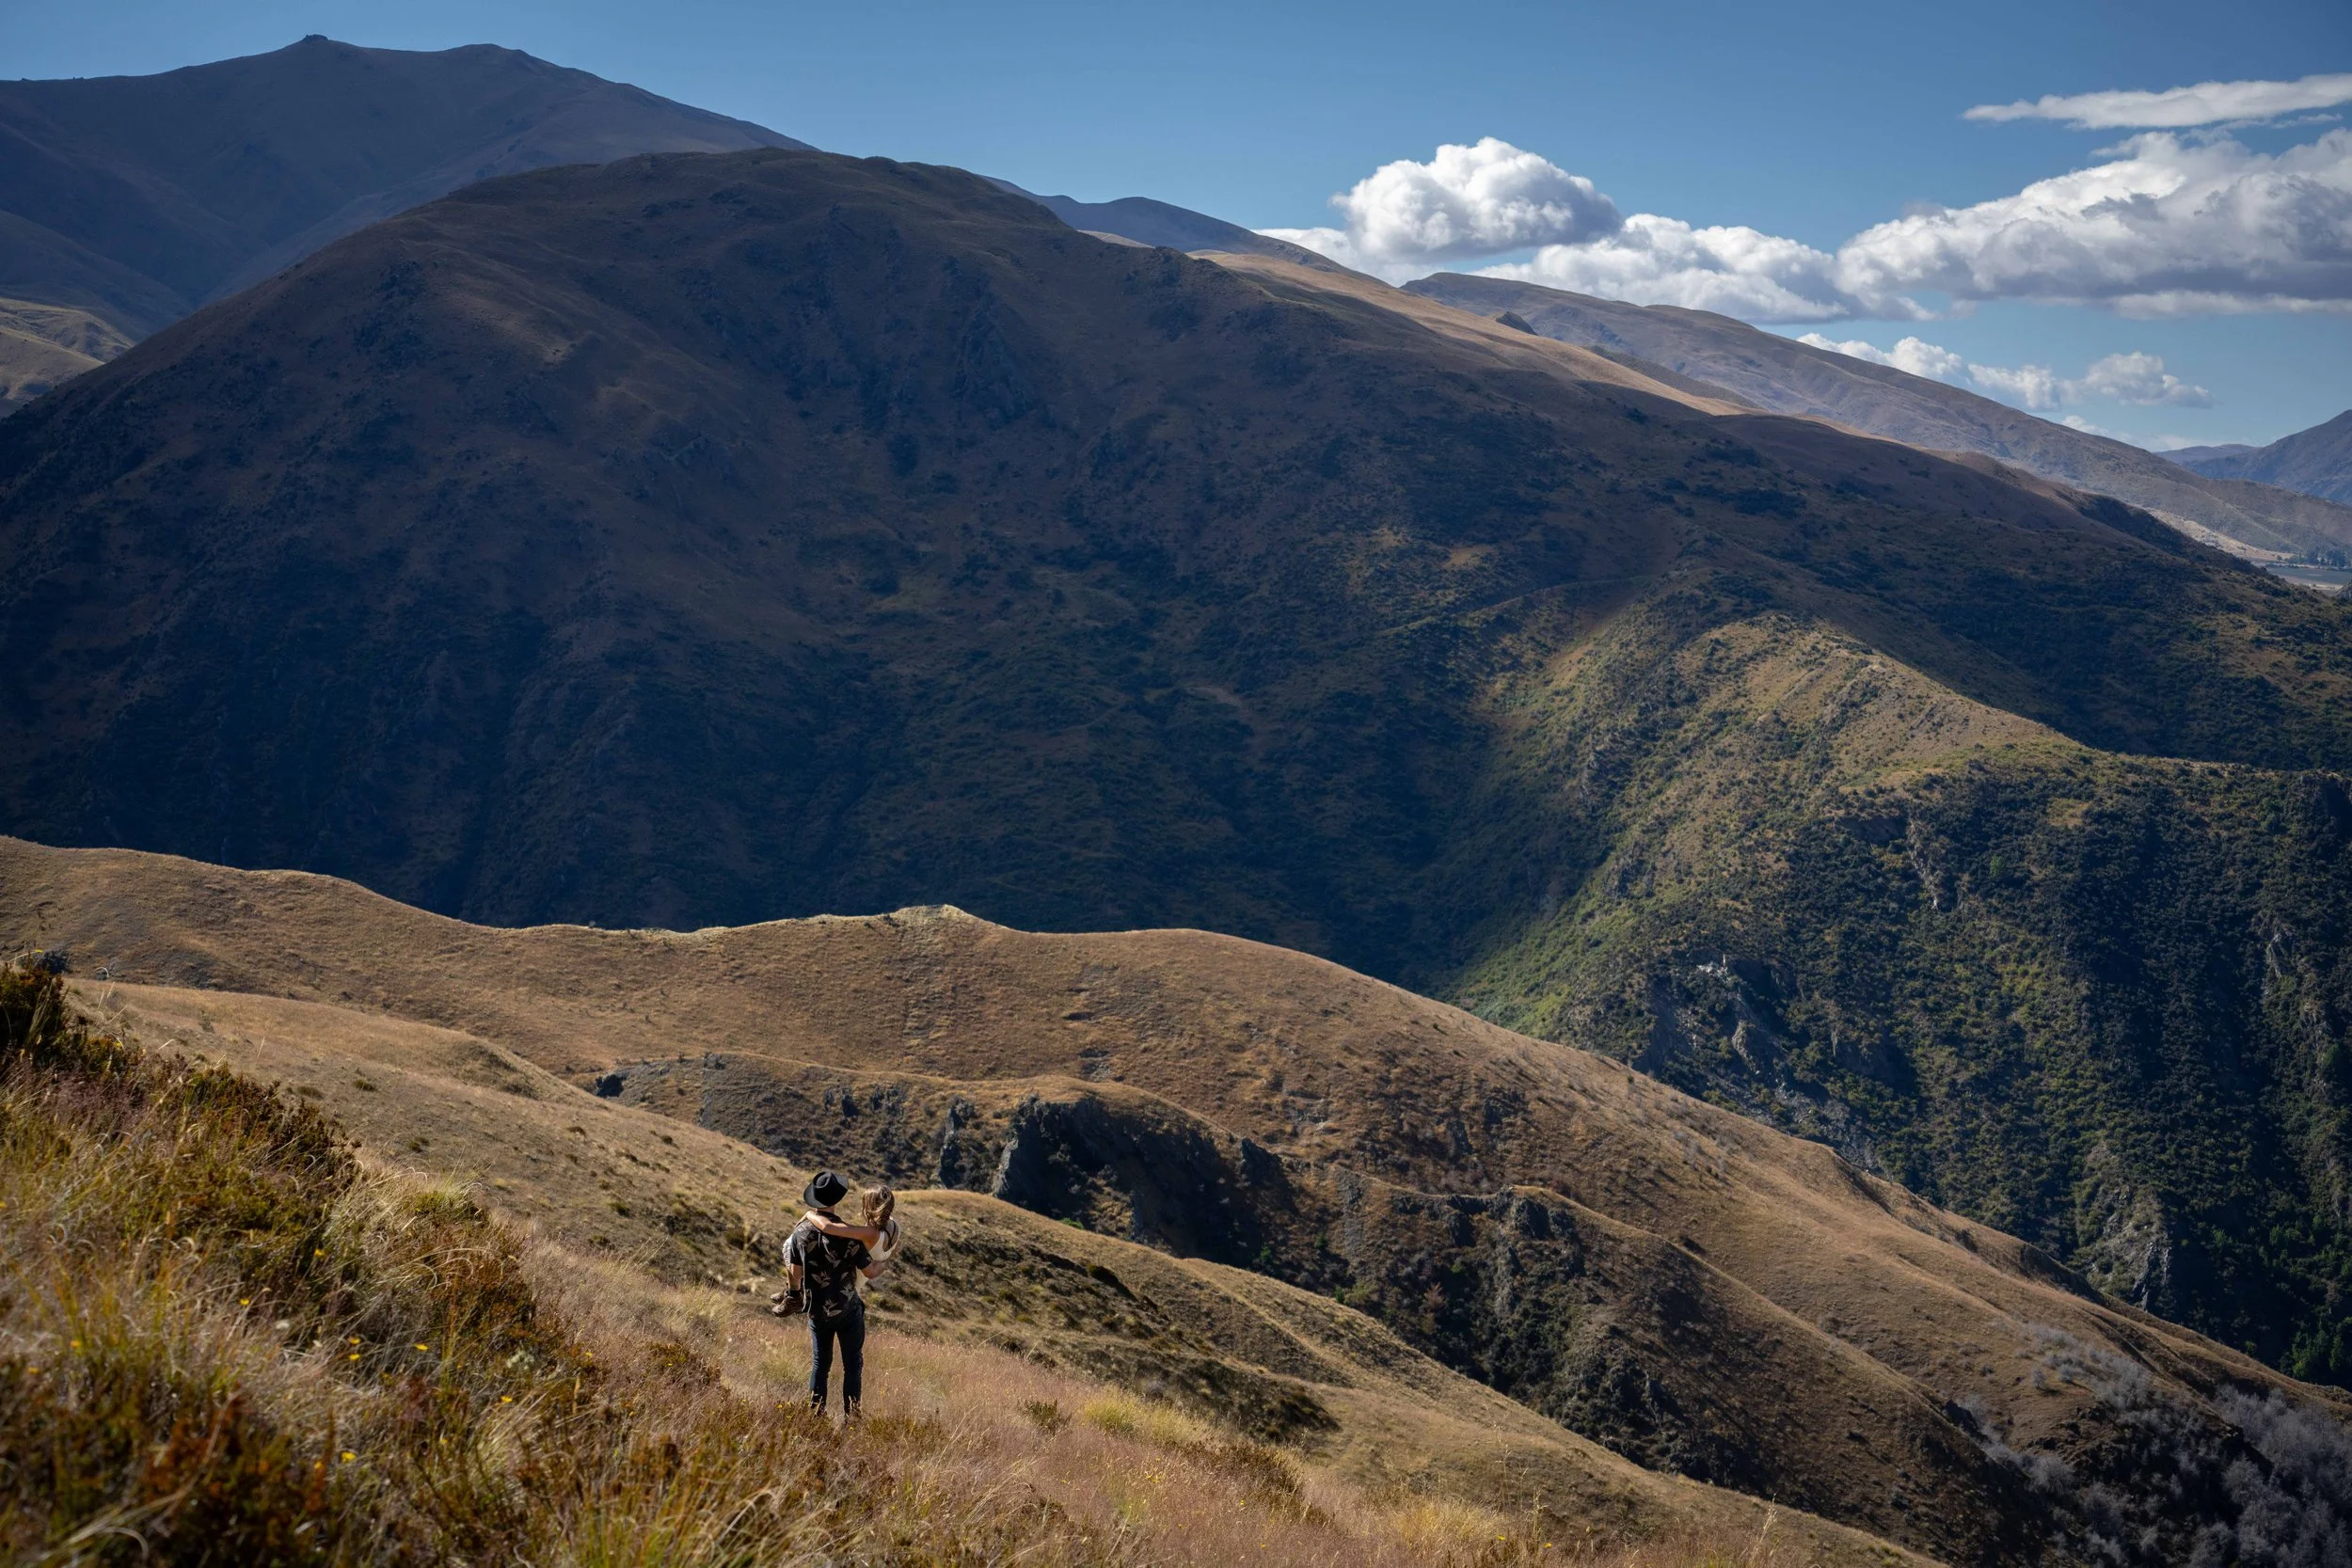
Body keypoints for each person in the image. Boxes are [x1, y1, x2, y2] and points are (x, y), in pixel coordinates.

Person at [775, 1171, 891, 1417]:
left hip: (817, 1310)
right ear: (837, 1199)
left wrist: (795, 1290)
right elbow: (869, 1270)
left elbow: (795, 1271)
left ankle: (816, 1416)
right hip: (847, 1308)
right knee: (852, 1366)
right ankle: (852, 1418)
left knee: (820, 1365)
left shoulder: (800, 1233)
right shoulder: (848, 1236)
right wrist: (883, 1264)